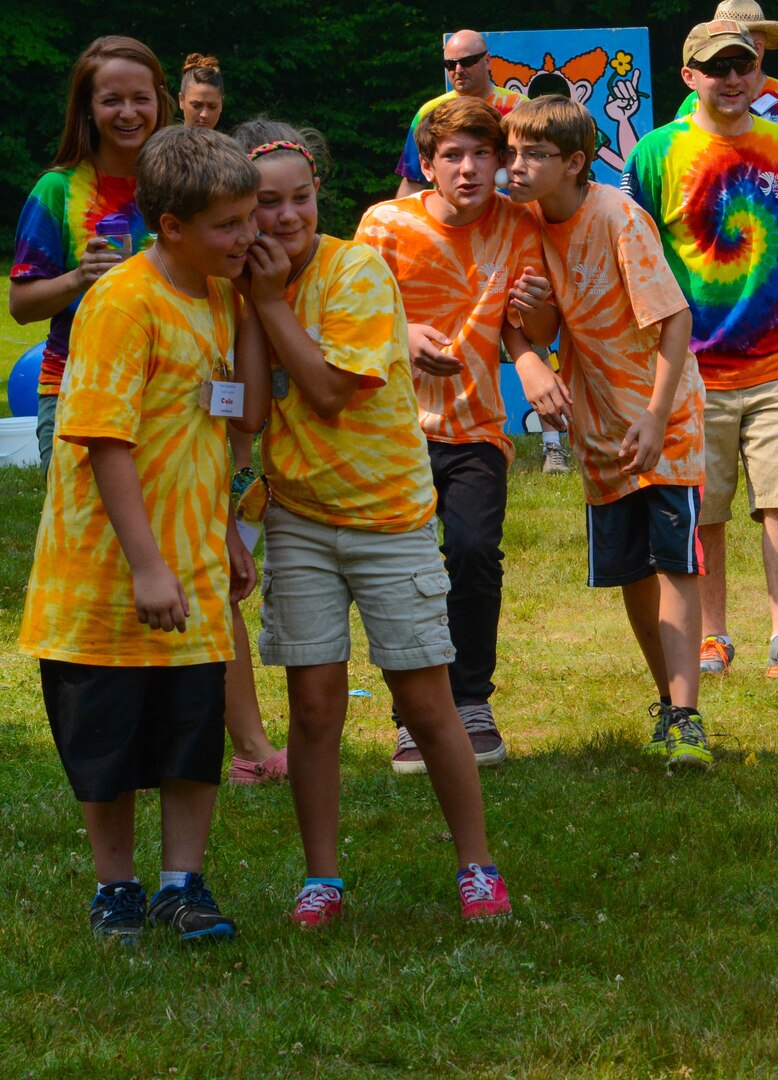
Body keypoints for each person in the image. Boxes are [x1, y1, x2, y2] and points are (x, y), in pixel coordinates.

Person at [232, 118, 510, 923]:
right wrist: (255, 302)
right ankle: (322, 877)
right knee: (314, 707)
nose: (285, 219)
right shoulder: (245, 283)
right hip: (300, 520)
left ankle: (478, 865)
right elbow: (250, 406)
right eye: (265, 206)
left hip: (388, 517)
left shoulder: (356, 270)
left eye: (300, 199)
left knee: (426, 704)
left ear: (320, 193)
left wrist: (266, 298)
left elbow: (323, 390)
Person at [18, 124, 268, 942]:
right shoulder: (123, 301)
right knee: (108, 744)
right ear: (172, 228)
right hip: (110, 571)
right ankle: (116, 886)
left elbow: (226, 418)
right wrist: (148, 566)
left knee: (191, 736)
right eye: (230, 225)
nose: (248, 237)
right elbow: (104, 441)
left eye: (249, 218)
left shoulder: (220, 291)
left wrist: (226, 529)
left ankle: (182, 883)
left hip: (191, 560)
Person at [623, 19, 778, 681]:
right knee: (706, 506)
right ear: (689, 77)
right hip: (687, 366)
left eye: (741, 65)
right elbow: (633, 253)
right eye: (715, 67)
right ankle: (713, 636)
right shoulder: (658, 153)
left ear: (758, 72)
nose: (731, 79)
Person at [501, 97, 712, 770]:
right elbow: (538, 330)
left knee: (675, 563)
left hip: (663, 417)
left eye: (534, 155)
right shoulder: (527, 225)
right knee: (631, 572)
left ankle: (687, 716)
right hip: (600, 430)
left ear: (575, 164)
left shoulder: (619, 217)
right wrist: (531, 345)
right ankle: (668, 704)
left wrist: (655, 417)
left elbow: (674, 321)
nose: (517, 166)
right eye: (512, 152)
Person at [356, 96, 547, 774]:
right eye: (452, 157)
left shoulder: (519, 225)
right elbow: (348, 319)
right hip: (392, 431)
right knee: (404, 575)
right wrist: (401, 334)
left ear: (499, 159)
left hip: (475, 429)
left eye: (481, 154)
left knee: (471, 554)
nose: (468, 170)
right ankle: (412, 715)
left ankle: (469, 701)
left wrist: (534, 335)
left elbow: (532, 327)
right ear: (429, 166)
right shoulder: (383, 225)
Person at [10, 36, 167, 473]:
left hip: (169, 392)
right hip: (76, 390)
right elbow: (21, 306)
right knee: (79, 535)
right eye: (111, 100)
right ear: (87, 108)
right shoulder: (57, 190)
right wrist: (80, 277)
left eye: (141, 98)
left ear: (160, 99)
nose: (129, 112)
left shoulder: (182, 187)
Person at [673, 2, 778, 339]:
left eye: (753, 46)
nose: (733, 73)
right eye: (719, 62)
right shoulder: (690, 108)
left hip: (776, 239)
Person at [394, 30, 523, 199]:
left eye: (467, 62)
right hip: (452, 218)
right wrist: (401, 220)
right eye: (450, 64)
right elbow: (413, 180)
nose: (458, 69)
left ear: (487, 61)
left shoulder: (520, 107)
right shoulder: (429, 113)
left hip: (510, 214)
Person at [177, 53, 224, 129]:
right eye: (196, 106)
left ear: (221, 104)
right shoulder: (163, 140)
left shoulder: (228, 141)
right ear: (181, 100)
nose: (204, 114)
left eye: (212, 107)